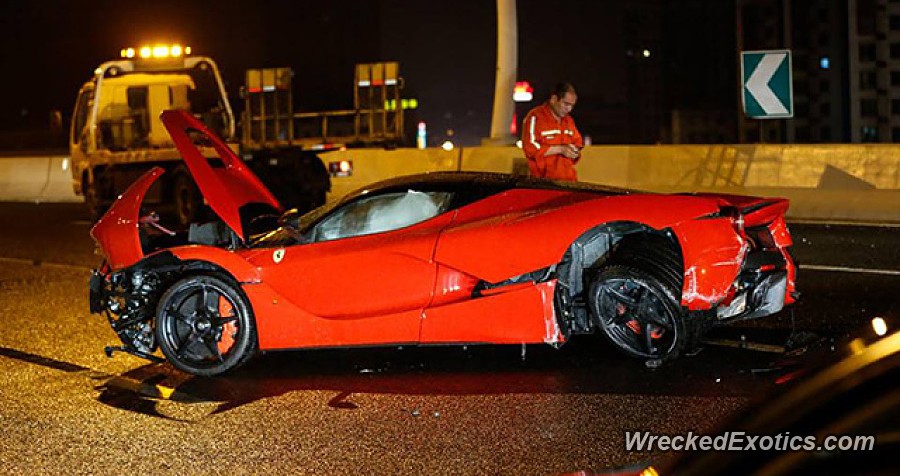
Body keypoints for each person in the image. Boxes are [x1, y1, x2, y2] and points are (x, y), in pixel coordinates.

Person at [521, 82, 584, 181]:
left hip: (570, 181)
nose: (569, 109)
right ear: (554, 99)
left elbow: (578, 143)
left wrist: (575, 151)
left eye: (572, 105)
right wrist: (561, 149)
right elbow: (530, 147)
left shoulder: (569, 121)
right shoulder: (535, 117)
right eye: (566, 104)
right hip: (543, 182)